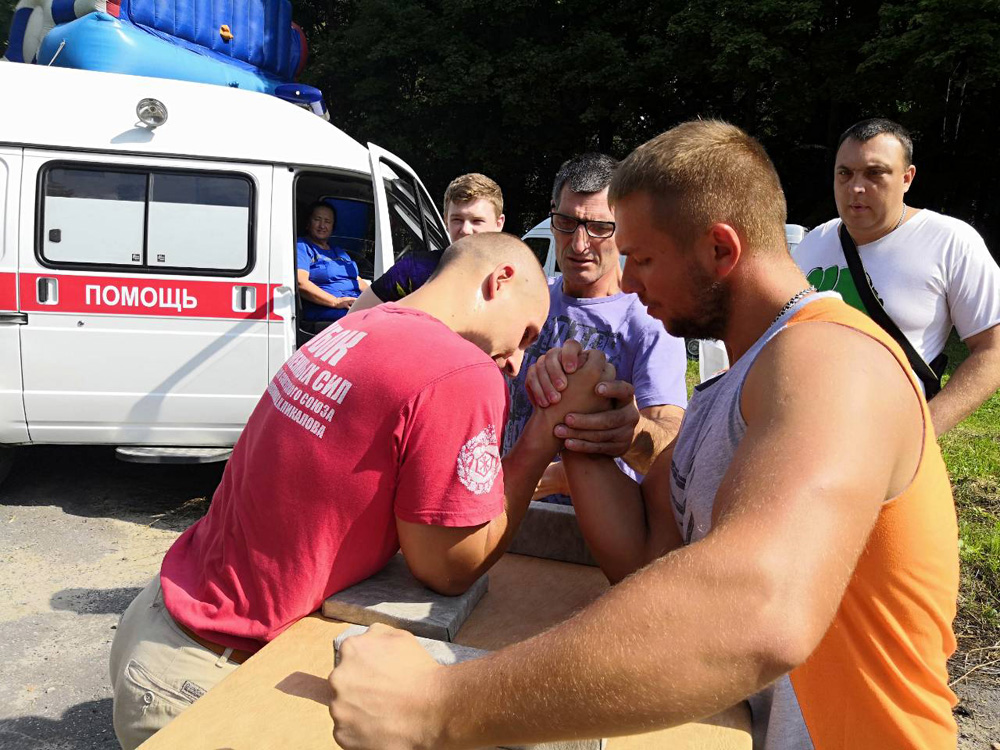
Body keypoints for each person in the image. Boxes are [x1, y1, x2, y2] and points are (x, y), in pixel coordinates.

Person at [327, 121, 960, 749]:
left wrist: (439, 704)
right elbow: (646, 560)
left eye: (641, 257)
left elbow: (755, 609)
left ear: (720, 249)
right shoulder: (730, 389)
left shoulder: (834, 359)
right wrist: (577, 421)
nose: (626, 282)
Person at [108, 233, 614, 750]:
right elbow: (448, 567)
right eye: (527, 334)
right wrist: (540, 435)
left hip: (163, 620)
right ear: (498, 280)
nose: (514, 362)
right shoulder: (461, 370)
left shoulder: (360, 324)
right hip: (207, 673)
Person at [794, 117, 1000, 435]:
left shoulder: (950, 242)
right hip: (800, 434)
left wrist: (922, 433)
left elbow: (993, 350)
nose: (856, 187)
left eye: (875, 173)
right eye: (845, 174)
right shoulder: (813, 243)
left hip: (885, 450)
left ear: (907, 178)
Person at [502, 153, 687, 503]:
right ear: (552, 215)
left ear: (626, 227)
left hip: (593, 537)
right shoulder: (530, 300)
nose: (579, 244)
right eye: (566, 222)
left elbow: (670, 447)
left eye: (600, 227)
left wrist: (630, 435)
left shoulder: (649, 320)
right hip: (507, 517)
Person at [349, 173, 505, 313]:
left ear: (499, 223)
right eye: (457, 220)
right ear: (446, 221)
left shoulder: (515, 279)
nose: (465, 230)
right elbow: (353, 319)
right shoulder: (414, 270)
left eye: (477, 221)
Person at [296, 201, 367, 328]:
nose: (322, 225)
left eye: (327, 221)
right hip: (326, 308)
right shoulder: (302, 246)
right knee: (371, 321)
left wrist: (376, 299)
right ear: (308, 224)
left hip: (352, 303)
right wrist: (336, 302)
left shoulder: (339, 252)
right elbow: (301, 282)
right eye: (317, 219)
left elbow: (357, 279)